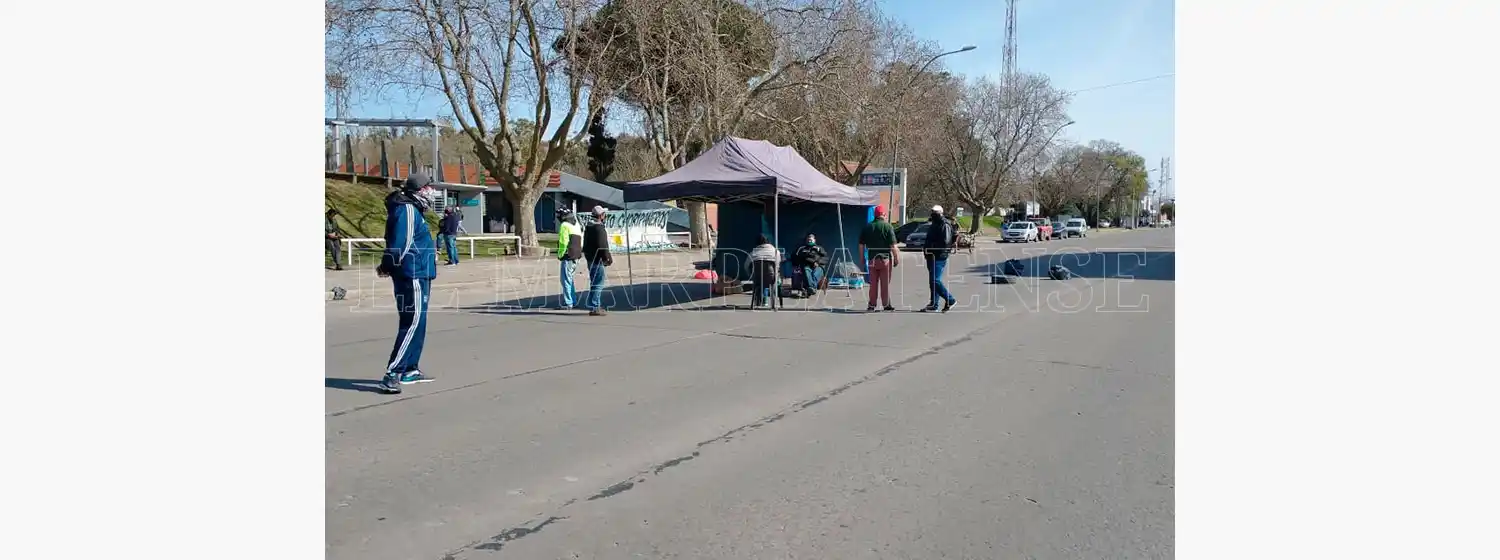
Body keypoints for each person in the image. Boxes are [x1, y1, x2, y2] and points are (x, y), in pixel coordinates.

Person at [375, 172, 441, 393]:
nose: (431, 191)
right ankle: (392, 372)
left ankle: (410, 369)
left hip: (421, 273)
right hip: (412, 274)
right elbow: (400, 244)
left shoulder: (414, 210)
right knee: (412, 322)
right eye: (427, 187)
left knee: (418, 322)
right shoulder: (407, 210)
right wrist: (388, 265)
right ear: (418, 191)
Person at [858, 204, 899, 311]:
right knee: (885, 284)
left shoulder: (867, 227)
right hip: (885, 259)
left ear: (875, 215)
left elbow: (861, 245)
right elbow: (893, 246)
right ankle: (886, 304)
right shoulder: (888, 227)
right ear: (883, 214)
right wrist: (896, 258)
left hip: (872, 259)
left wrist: (862, 258)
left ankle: (872, 304)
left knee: (873, 283)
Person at [922, 205, 957, 313]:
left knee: (935, 280)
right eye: (932, 211)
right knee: (932, 281)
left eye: (935, 212)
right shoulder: (934, 223)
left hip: (939, 256)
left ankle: (950, 299)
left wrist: (932, 246)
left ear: (940, 213)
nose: (932, 213)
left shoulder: (944, 224)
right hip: (931, 255)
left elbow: (945, 242)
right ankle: (934, 304)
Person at [581, 206, 614, 316]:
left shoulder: (588, 227)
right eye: (604, 214)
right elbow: (603, 246)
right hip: (598, 259)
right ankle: (595, 306)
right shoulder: (599, 228)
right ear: (601, 216)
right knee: (598, 284)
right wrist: (607, 258)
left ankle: (593, 305)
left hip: (590, 258)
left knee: (594, 283)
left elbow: (585, 245)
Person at [556, 208, 584, 310]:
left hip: (568, 255)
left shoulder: (564, 225)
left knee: (565, 280)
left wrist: (560, 254)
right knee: (569, 279)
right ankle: (572, 300)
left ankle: (569, 303)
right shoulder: (576, 224)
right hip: (576, 254)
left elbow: (563, 242)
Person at [791, 233, 828, 298]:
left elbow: (825, 258)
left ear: (814, 240)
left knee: (818, 270)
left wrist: (818, 262)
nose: (809, 240)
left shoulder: (819, 248)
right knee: (806, 270)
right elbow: (796, 258)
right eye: (808, 239)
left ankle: (811, 288)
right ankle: (812, 288)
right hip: (807, 266)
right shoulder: (802, 249)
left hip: (818, 266)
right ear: (806, 240)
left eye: (811, 239)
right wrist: (811, 261)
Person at [748, 234, 780, 308]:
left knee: (758, 282)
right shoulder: (775, 251)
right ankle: (773, 302)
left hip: (757, 278)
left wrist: (750, 274)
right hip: (771, 278)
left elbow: (746, 265)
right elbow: (777, 265)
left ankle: (757, 300)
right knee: (774, 279)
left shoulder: (753, 252)